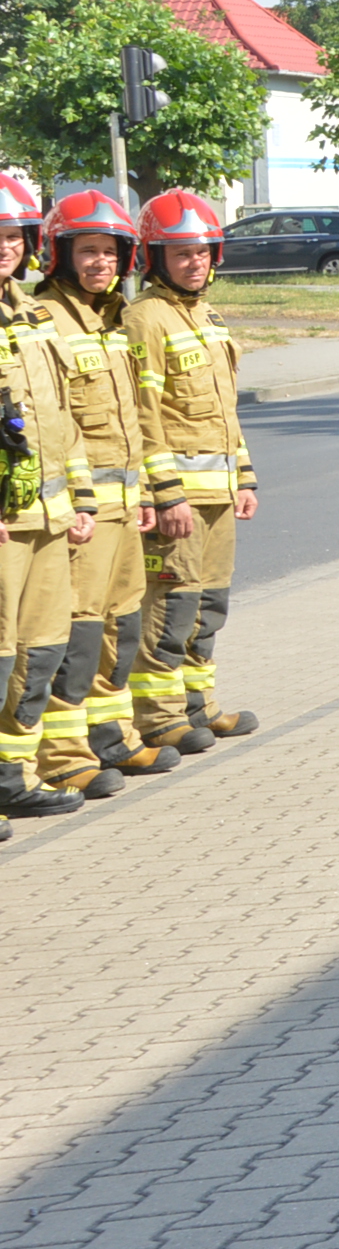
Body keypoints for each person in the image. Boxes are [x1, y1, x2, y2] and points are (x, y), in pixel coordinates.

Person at [39, 190, 173, 781]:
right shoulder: (47, 318)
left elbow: (133, 420)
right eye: (88, 251)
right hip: (82, 512)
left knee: (122, 627)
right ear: (61, 255)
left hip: (124, 509)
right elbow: (56, 421)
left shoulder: (114, 320)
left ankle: (111, 738)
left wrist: (143, 494)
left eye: (111, 252)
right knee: (79, 632)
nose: (101, 262)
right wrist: (77, 503)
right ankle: (63, 757)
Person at [122, 190, 258, 750]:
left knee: (208, 606)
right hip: (177, 499)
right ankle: (159, 717)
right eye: (181, 254)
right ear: (155, 258)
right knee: (170, 607)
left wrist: (243, 478)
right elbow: (143, 416)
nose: (194, 262)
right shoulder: (144, 319)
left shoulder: (208, 316)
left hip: (219, 495)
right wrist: (166, 494)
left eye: (201, 252)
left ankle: (200, 705)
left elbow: (226, 410)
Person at [0, 171, 106, 814]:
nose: (5, 247)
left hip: (46, 517)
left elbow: (64, 419)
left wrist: (81, 501)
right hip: (5, 524)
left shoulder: (33, 317)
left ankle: (11, 778)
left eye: (12, 235)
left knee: (39, 653)